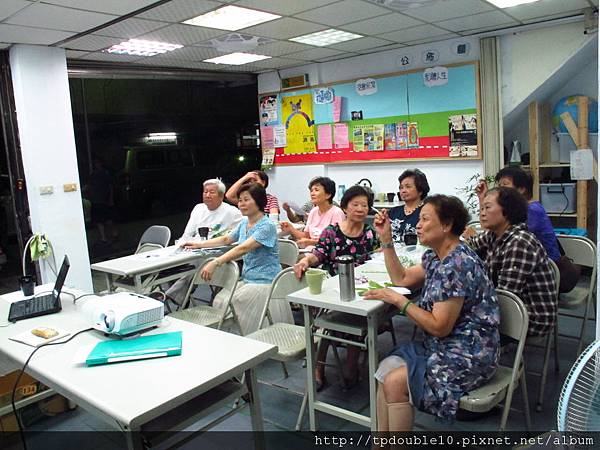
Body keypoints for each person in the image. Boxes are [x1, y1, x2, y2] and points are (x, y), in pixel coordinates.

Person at [363, 195, 499, 429]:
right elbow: (401, 278)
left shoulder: (457, 264)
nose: (417, 224)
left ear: (446, 225)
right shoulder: (436, 256)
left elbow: (439, 326)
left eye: (425, 219)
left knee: (394, 381)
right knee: (385, 370)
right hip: (443, 346)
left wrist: (398, 300)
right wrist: (386, 240)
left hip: (469, 353)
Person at [293, 185, 379, 388]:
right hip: (333, 287)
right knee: (326, 322)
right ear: (345, 207)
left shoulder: (370, 233)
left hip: (361, 289)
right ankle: (319, 367)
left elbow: (377, 259)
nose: (360, 209)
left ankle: (351, 366)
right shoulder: (332, 232)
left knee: (360, 315)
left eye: (364, 205)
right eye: (355, 204)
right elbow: (319, 253)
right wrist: (305, 262)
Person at [183, 183, 290, 335]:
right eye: (240, 200)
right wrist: (199, 244)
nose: (241, 204)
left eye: (246, 200)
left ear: (259, 201)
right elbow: (227, 239)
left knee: (234, 301)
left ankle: (247, 338)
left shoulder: (267, 226)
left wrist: (216, 262)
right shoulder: (245, 222)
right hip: (248, 278)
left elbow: (243, 248)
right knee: (220, 300)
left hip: (265, 281)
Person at [467, 187, 558, 337]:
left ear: (508, 211)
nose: (481, 213)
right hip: (510, 304)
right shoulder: (494, 233)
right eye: (481, 208)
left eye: (487, 207)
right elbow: (471, 244)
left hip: (530, 317)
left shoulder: (519, 242)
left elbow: (506, 297)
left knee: (455, 319)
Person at [474, 166, 578, 293]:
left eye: (505, 185)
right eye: (499, 185)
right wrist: (483, 199)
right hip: (520, 274)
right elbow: (486, 232)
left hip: (553, 274)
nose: (500, 189)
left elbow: (506, 297)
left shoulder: (530, 214)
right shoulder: (505, 225)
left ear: (522, 189)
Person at [163, 179, 242, 305]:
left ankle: (171, 296)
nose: (207, 195)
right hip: (193, 249)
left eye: (212, 192)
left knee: (197, 264)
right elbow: (187, 234)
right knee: (169, 263)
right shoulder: (198, 209)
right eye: (205, 192)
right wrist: (180, 246)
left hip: (214, 253)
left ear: (221, 196)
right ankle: (177, 296)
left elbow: (246, 226)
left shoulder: (232, 212)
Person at [280, 177, 345, 249]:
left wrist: (312, 242)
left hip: (327, 254)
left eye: (316, 190)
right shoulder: (313, 211)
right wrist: (290, 228)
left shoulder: (337, 213)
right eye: (311, 191)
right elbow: (306, 236)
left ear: (328, 195)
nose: (312, 194)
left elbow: (337, 242)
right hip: (311, 250)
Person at [388, 169, 430, 245]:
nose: (403, 191)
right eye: (401, 187)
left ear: (420, 190)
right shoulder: (393, 212)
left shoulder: (427, 212)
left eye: (408, 187)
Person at [86, 157, 117, 243]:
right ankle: (103, 237)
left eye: (98, 163)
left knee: (108, 219)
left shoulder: (106, 174)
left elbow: (110, 186)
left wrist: (111, 198)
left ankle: (114, 232)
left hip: (104, 199)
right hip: (95, 200)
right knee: (98, 220)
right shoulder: (93, 175)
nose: (97, 165)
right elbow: (89, 186)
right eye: (96, 163)